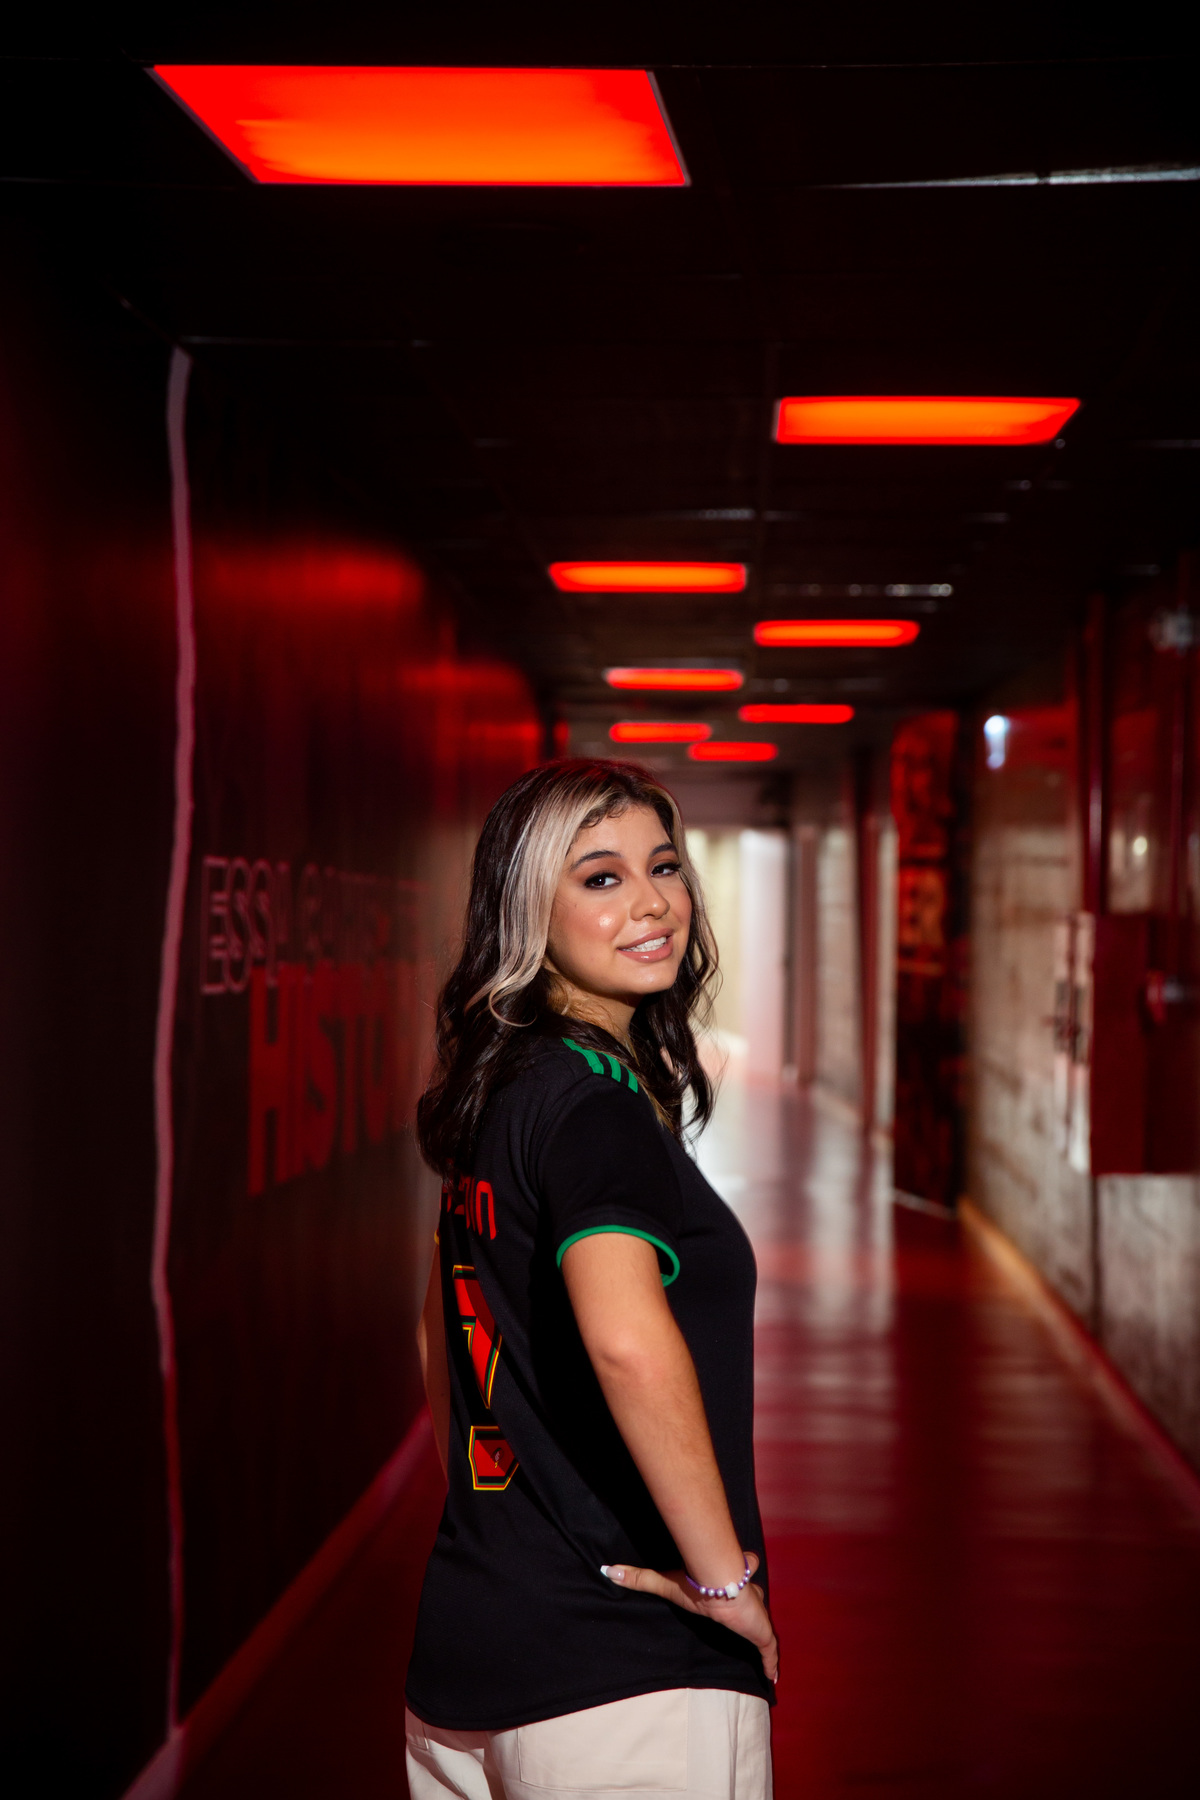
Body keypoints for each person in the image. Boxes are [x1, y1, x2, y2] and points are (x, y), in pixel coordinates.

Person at [405, 759, 777, 1800]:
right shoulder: (595, 1106)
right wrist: (724, 1582)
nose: (653, 901)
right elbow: (625, 1341)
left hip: (470, 1650)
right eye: (601, 877)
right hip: (625, 1682)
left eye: (664, 865)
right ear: (529, 910)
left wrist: (508, 1528)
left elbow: (438, 1332)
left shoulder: (501, 1088)